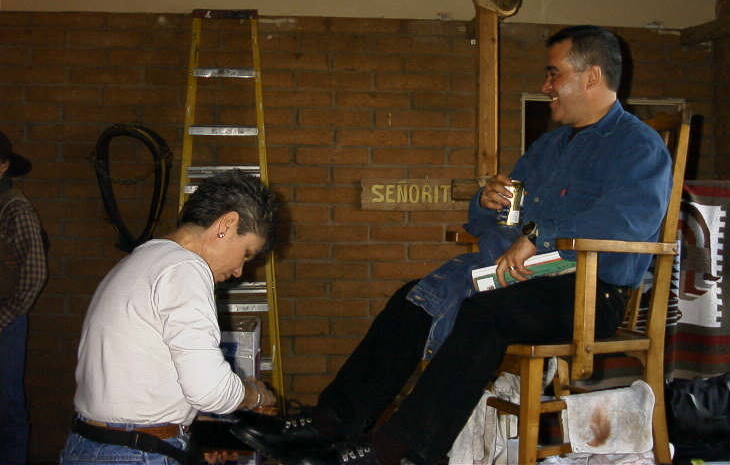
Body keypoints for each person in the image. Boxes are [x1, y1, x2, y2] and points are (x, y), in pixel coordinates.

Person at [238, 25, 673, 465]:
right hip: (523, 278)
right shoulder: (549, 147)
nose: (545, 86)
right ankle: (330, 424)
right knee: (415, 298)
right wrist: (486, 202)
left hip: (588, 291)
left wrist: (539, 237)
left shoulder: (638, 146)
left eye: (553, 74)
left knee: (485, 312)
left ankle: (399, 449)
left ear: (592, 77)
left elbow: (626, 221)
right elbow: (501, 216)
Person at [59, 169, 280, 465]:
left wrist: (188, 430)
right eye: (246, 253)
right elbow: (210, 391)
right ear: (227, 224)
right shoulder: (185, 269)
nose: (240, 271)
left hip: (95, 445)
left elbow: (143, 379)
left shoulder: (143, 260)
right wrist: (255, 395)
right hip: (131, 454)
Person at [0, 131, 49, 465]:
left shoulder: (14, 210)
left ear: (3, 166)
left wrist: (2, 319)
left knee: (6, 407)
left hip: (4, 323)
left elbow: (33, 275)